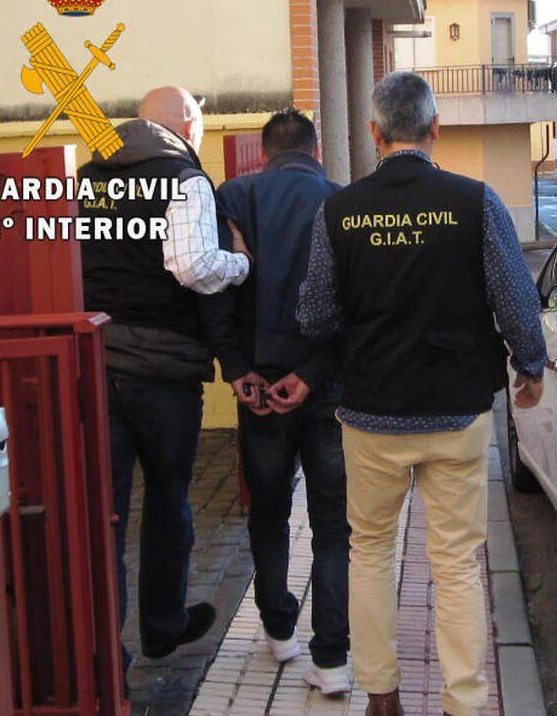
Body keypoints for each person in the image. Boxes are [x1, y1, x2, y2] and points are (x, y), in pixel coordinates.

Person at [296, 71, 547, 716]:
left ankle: (382, 696)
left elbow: (315, 314)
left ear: (375, 133)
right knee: (458, 562)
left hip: (371, 411)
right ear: (435, 129)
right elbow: (515, 297)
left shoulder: (339, 210)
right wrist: (531, 364)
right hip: (458, 410)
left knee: (371, 552)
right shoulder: (474, 201)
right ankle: (464, 702)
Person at [78, 86, 251, 662]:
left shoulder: (87, 178)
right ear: (184, 121)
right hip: (164, 372)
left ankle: (106, 657)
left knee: (105, 511)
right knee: (169, 502)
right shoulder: (184, 179)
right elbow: (193, 265)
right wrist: (244, 263)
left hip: (95, 366)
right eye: (198, 119)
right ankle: (161, 625)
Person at [210, 108, 351, 694]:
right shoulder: (342, 202)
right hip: (323, 388)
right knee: (332, 526)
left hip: (259, 388)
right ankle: (333, 660)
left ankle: (277, 627)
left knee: (267, 511)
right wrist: (314, 374)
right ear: (316, 152)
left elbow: (212, 286)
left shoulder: (234, 197)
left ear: (265, 153)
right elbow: (354, 303)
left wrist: (237, 368)